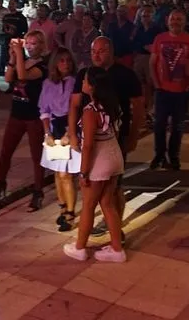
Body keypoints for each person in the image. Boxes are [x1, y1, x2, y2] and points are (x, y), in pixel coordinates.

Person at [68, 37, 143, 240]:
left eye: (101, 51)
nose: (97, 55)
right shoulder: (85, 74)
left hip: (114, 139)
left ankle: (115, 229)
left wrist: (134, 135)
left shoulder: (125, 75)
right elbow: (74, 104)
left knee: (114, 187)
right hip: (91, 138)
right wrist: (73, 133)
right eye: (93, 51)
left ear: (111, 51)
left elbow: (138, 107)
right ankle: (111, 230)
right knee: (97, 189)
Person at [64, 67, 126, 263]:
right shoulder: (111, 105)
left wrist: (83, 173)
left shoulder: (90, 111)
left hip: (100, 161)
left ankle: (80, 248)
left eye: (85, 81)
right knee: (108, 204)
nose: (82, 83)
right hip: (115, 156)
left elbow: (89, 145)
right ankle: (117, 249)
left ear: (92, 86)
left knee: (89, 206)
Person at [0, 30, 49, 211]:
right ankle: (1, 183)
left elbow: (24, 76)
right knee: (5, 152)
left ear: (41, 45)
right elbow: (9, 78)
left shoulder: (43, 66)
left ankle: (38, 191)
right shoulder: (21, 61)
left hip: (33, 116)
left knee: (37, 156)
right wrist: (13, 57)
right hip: (16, 114)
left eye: (33, 43)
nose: (29, 47)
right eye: (27, 43)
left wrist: (18, 54)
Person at [149, 9, 189, 170]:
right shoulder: (160, 39)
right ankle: (159, 154)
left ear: (184, 22)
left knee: (177, 126)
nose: (175, 22)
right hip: (162, 90)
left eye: (179, 19)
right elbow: (152, 63)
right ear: (167, 21)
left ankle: (174, 155)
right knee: (159, 124)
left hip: (181, 91)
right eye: (173, 19)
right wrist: (157, 84)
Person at [39, 48, 80, 231]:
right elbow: (44, 110)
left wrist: (70, 133)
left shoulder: (75, 82)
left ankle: (70, 213)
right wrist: (47, 133)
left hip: (70, 127)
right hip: (54, 128)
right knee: (57, 172)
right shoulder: (48, 84)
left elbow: (78, 110)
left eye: (68, 60)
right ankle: (62, 208)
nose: (66, 64)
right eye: (62, 61)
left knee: (66, 174)